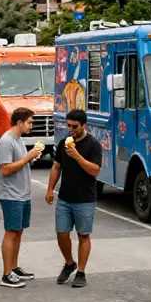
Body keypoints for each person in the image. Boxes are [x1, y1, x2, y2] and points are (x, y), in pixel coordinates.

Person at [45, 109, 102, 288]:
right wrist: (49, 189)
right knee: (62, 233)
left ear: (84, 125)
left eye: (74, 126)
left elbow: (94, 171)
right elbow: (56, 168)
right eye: (68, 125)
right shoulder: (63, 144)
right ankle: (69, 263)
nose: (71, 129)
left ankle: (81, 271)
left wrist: (77, 156)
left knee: (83, 235)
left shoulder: (93, 145)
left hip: (85, 199)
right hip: (65, 197)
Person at [0, 107, 42, 288]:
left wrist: (30, 157)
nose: (31, 126)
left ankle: (14, 268)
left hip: (23, 194)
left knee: (19, 231)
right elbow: (6, 169)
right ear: (19, 122)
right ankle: (6, 273)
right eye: (29, 122)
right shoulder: (6, 141)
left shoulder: (18, 140)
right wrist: (28, 157)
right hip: (11, 195)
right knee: (11, 231)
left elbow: (19, 164)